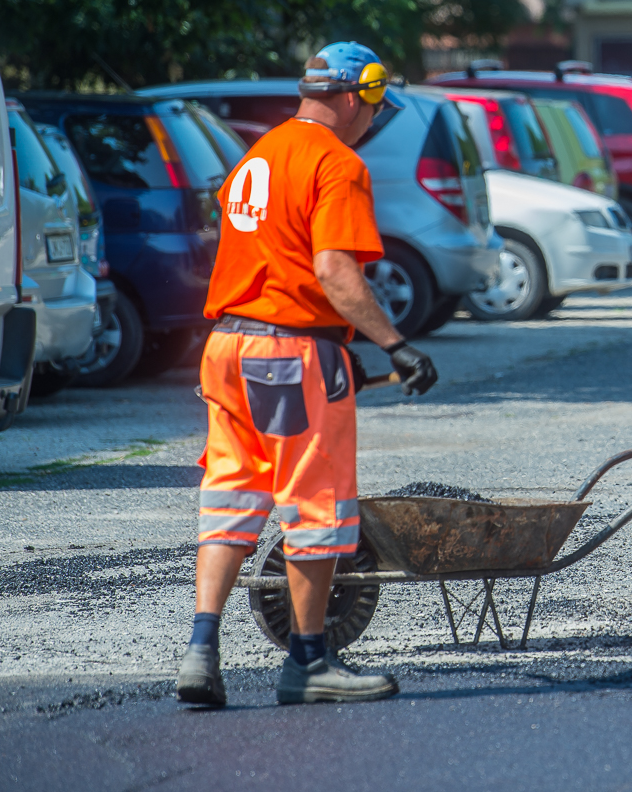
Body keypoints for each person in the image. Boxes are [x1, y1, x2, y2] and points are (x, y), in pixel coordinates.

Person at [177, 42, 439, 708]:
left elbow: (275, 259)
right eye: (374, 106)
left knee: (232, 493)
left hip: (228, 347)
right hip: (288, 357)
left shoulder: (255, 157)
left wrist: (330, 333)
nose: (373, 120)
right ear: (353, 96)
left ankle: (200, 651)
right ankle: (308, 660)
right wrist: (395, 343)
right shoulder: (336, 162)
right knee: (314, 504)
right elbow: (332, 270)